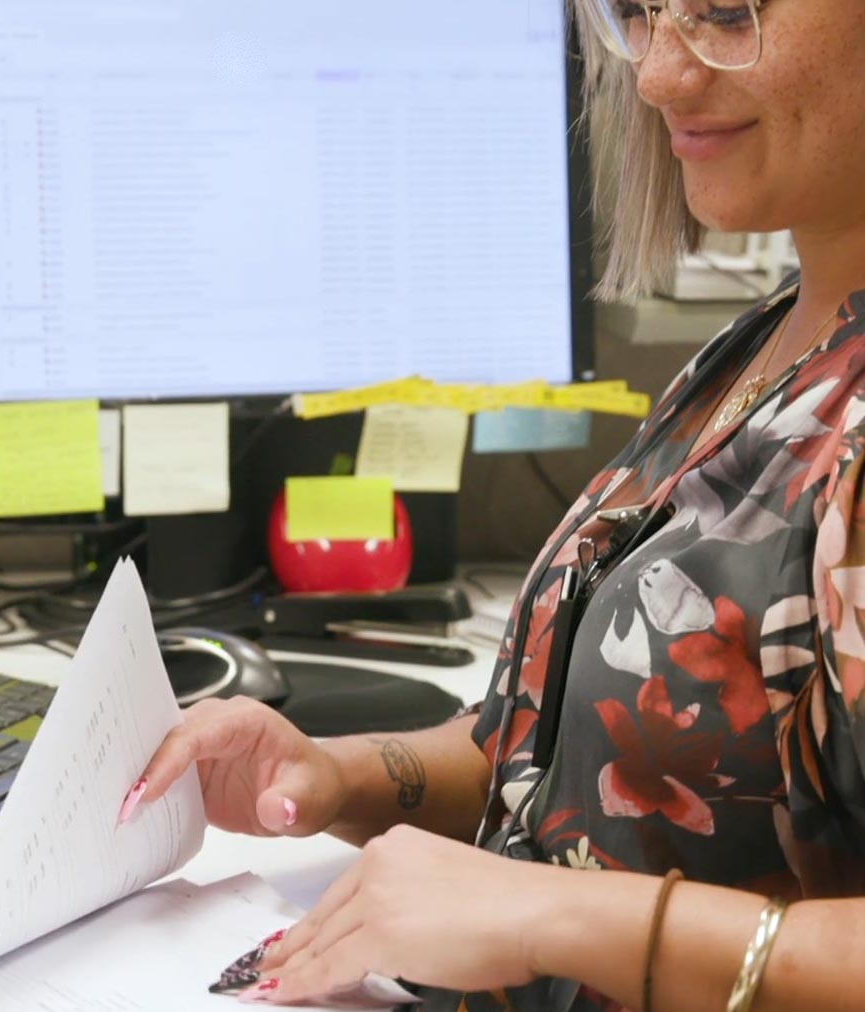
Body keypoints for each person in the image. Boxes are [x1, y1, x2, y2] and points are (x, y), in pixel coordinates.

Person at [121, 0, 865, 1008]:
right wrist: (340, 776)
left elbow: (575, 892)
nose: (654, 77)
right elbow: (583, 764)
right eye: (639, 12)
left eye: (727, 12)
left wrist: (546, 918)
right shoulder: (768, 342)